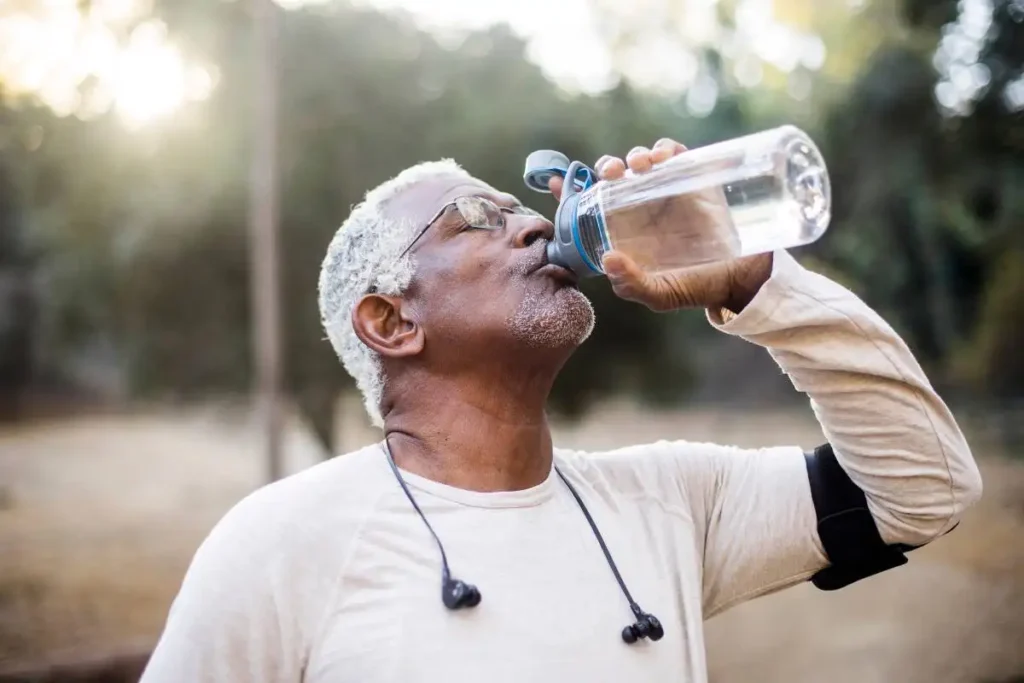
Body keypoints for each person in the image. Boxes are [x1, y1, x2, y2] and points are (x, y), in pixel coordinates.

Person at [141, 138, 982, 683]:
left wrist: (755, 284)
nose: (535, 229)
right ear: (392, 320)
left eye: (522, 208)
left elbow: (925, 489)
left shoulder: (671, 501)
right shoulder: (281, 542)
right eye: (475, 218)